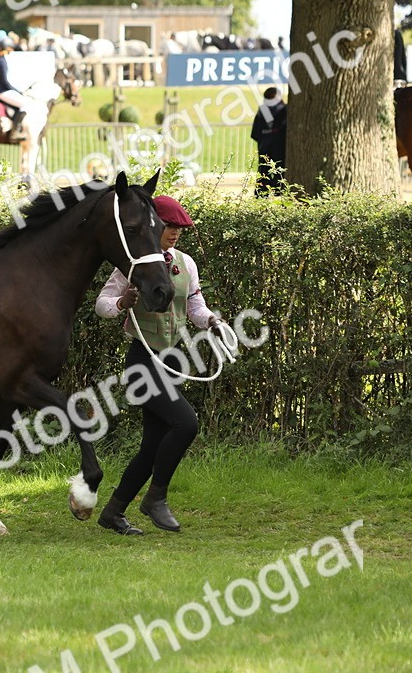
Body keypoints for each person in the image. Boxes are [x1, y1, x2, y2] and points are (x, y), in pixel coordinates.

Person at [94, 196, 226, 536]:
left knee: (152, 446)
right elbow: (102, 304)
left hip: (170, 360)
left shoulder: (187, 264)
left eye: (180, 228)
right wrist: (123, 302)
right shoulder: (134, 264)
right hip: (142, 360)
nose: (176, 233)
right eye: (170, 227)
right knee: (186, 424)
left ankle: (113, 512)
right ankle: (156, 499)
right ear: (155, 227)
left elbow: (195, 307)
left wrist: (212, 321)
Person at [0, 38, 29, 139]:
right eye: (10, 48)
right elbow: (4, 82)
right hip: (0, 91)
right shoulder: (1, 61)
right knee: (24, 104)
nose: (12, 50)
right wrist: (17, 91)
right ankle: (15, 132)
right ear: (6, 48)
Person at [250, 87, 287, 196]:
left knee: (263, 173)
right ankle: (279, 195)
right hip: (280, 149)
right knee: (279, 174)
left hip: (264, 148)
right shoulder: (285, 110)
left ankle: (261, 196)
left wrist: (265, 138)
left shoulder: (262, 111)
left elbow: (255, 133)